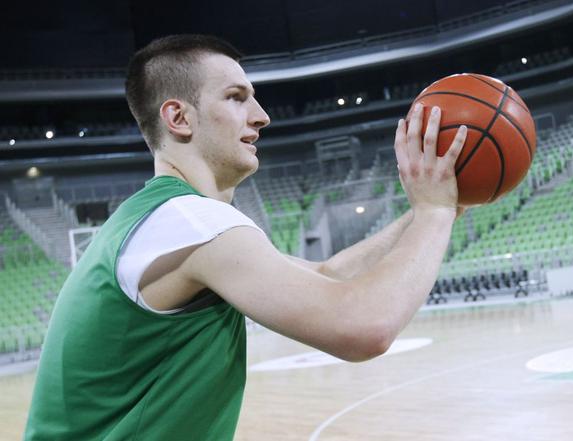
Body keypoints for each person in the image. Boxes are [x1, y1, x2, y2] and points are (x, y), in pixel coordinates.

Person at [24, 34, 468, 440]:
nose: (262, 116)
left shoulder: (163, 219)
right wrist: (434, 211)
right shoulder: (192, 223)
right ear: (178, 117)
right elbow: (365, 328)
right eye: (237, 98)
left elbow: (328, 274)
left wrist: (432, 212)